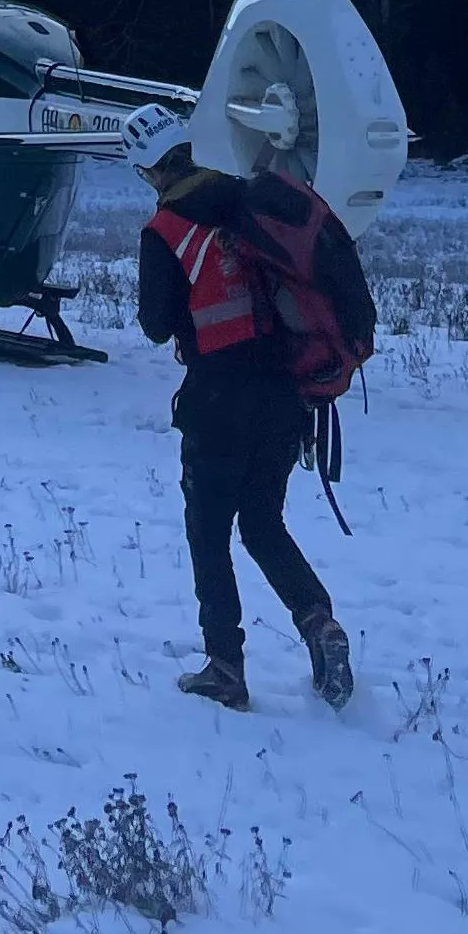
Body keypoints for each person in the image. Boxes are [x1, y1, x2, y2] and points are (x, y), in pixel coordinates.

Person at [124, 105, 368, 713]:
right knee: (262, 523)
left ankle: (225, 669)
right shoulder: (250, 201)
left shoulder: (165, 229)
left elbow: (155, 325)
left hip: (217, 400)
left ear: (147, 171)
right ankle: (318, 624)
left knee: (209, 533)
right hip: (286, 394)